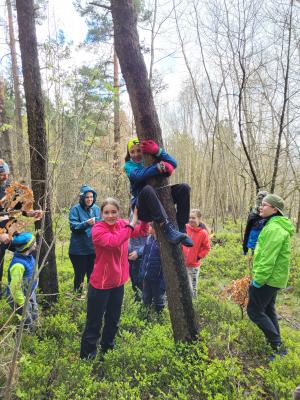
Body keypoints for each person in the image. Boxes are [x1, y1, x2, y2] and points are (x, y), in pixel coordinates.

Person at [80, 198, 149, 359]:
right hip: (100, 285)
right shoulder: (97, 229)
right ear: (101, 213)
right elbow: (114, 242)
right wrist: (132, 223)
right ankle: (87, 355)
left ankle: (108, 348)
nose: (110, 215)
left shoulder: (121, 224)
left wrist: (143, 218)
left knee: (113, 319)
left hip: (118, 283)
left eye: (113, 212)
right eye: (106, 212)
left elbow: (142, 231)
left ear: (118, 212)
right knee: (94, 322)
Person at [246, 194, 294, 359]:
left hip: (269, 279)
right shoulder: (273, 225)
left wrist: (258, 281)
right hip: (274, 278)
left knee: (254, 311)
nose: (260, 207)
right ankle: (278, 347)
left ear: (274, 209)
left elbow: (268, 259)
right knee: (268, 309)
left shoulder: (274, 229)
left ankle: (278, 347)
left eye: (264, 205)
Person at [124, 138, 193, 247]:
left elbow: (174, 163)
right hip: (141, 208)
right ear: (129, 154)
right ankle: (168, 229)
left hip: (158, 200)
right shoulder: (128, 166)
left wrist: (157, 151)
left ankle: (181, 228)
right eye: (132, 152)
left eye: (139, 150)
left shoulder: (151, 157)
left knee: (184, 188)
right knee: (147, 189)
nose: (136, 154)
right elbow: (138, 176)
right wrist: (158, 167)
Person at [0, 159, 42, 298]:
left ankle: (27, 286)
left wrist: (32, 213)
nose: (4, 177)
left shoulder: (11, 188)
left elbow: (21, 208)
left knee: (30, 248)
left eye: (6, 174)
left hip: (12, 231)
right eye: (1, 175)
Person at [69, 185, 101, 295]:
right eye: (87, 197)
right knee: (79, 276)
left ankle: (91, 297)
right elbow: (73, 226)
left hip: (93, 249)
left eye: (91, 197)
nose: (89, 199)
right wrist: (86, 223)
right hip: (78, 251)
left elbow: (101, 225)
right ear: (82, 198)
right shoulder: (75, 209)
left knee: (92, 275)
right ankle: (77, 297)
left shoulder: (96, 209)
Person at [6, 232, 38, 331]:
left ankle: (33, 327)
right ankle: (25, 335)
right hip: (18, 298)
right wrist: (23, 303)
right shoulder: (18, 265)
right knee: (26, 319)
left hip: (28, 292)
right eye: (34, 242)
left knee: (34, 312)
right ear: (28, 246)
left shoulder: (28, 257)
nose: (36, 243)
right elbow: (15, 288)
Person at [182, 209, 210, 296]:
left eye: (193, 218)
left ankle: (194, 305)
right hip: (181, 263)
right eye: (190, 217)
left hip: (193, 266)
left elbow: (207, 248)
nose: (191, 220)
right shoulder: (185, 227)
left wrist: (198, 257)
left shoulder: (203, 233)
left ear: (199, 219)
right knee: (182, 286)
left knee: (192, 289)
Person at [140, 224, 166, 313]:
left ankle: (160, 318)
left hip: (157, 280)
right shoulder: (148, 239)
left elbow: (165, 265)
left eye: (150, 226)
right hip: (146, 277)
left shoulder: (163, 242)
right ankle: (145, 315)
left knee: (159, 300)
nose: (148, 227)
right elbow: (144, 256)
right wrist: (142, 271)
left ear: (156, 228)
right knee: (146, 298)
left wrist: (163, 282)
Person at [243, 191, 268, 255]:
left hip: (266, 245)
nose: (261, 207)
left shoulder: (269, 216)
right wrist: (245, 247)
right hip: (254, 245)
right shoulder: (252, 215)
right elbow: (247, 231)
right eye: (259, 199)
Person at [128, 228, 148, 302]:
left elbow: (151, 240)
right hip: (130, 257)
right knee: (134, 281)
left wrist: (138, 252)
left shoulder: (147, 219)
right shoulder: (132, 217)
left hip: (141, 257)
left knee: (141, 282)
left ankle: (147, 305)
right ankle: (137, 302)